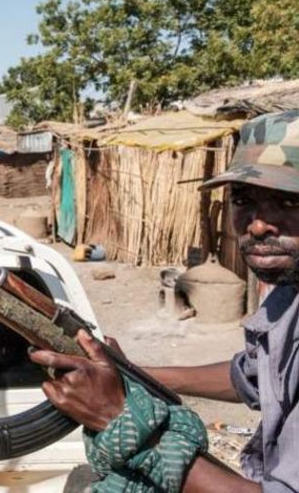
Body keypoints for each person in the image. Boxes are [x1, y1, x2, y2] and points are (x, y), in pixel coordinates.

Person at [30, 110, 299, 492]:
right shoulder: (288, 292)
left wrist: (120, 419)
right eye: (243, 200)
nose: (257, 225)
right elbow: (255, 375)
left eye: (288, 203)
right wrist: (131, 372)